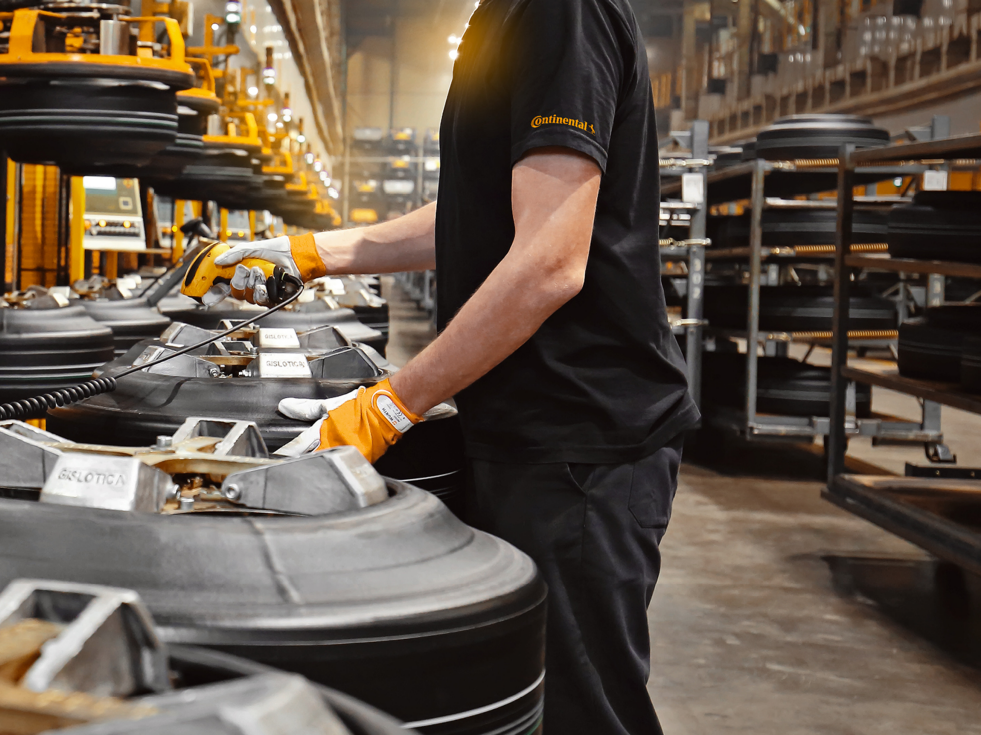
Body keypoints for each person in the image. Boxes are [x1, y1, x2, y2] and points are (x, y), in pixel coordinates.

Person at [187, 0, 700, 730]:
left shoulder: (563, 14)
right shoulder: (506, 18)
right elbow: (475, 212)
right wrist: (313, 252)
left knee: (578, 709)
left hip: (580, 441)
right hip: (528, 427)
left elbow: (549, 262)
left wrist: (391, 405)